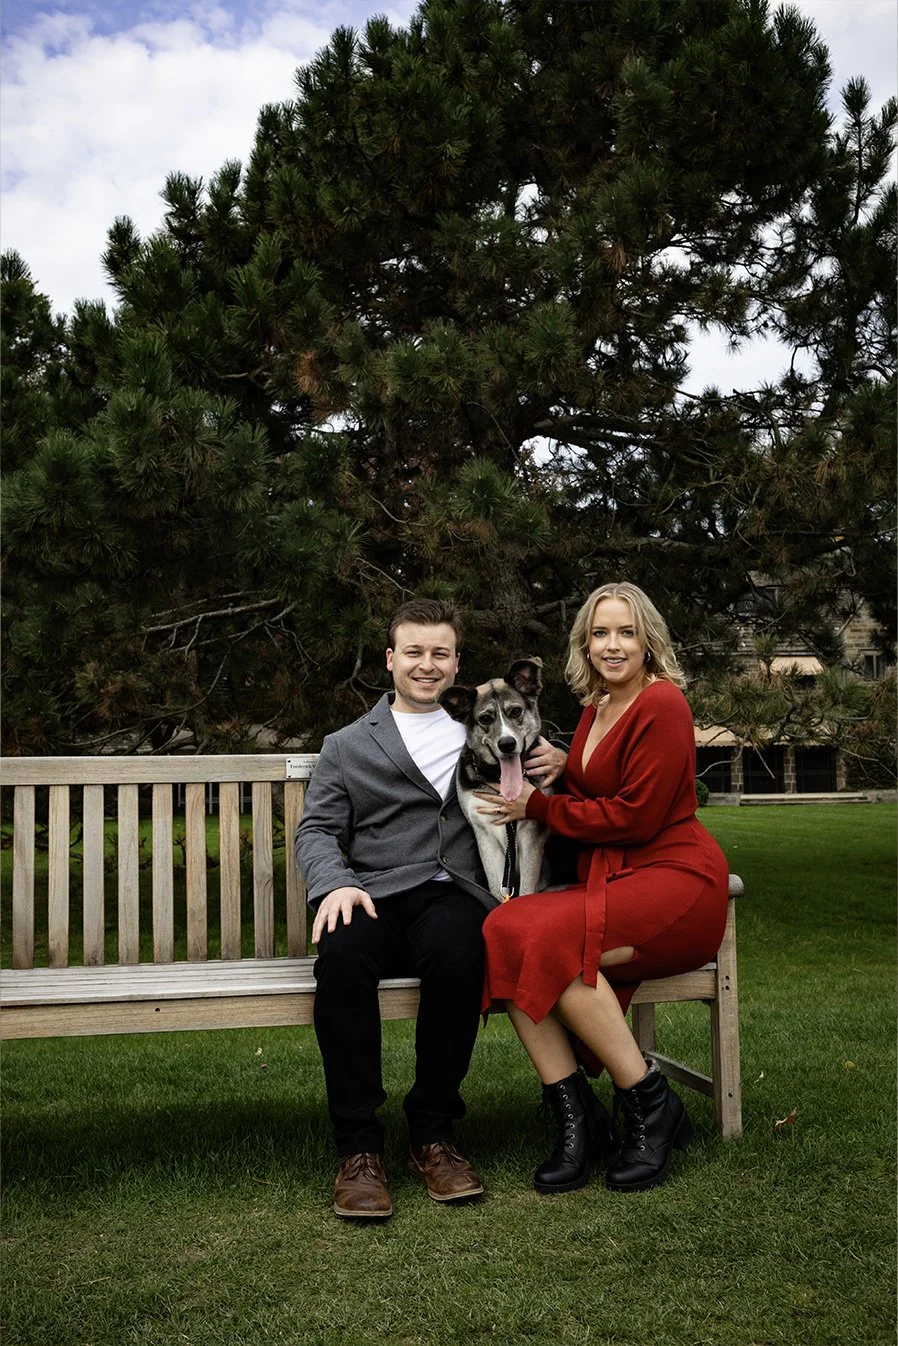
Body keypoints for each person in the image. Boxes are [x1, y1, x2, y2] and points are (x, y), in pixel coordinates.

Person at [294, 598, 564, 1219]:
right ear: (391, 660)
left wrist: (563, 757)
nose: (426, 664)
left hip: (452, 891)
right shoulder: (346, 745)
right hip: (373, 890)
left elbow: (550, 762)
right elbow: (316, 831)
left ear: (456, 663)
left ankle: (434, 1132)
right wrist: (334, 884)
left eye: (439, 653)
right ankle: (358, 1147)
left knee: (459, 951)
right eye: (413, 652)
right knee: (342, 956)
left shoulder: (487, 728)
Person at [476, 582, 730, 1195]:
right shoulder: (596, 707)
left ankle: (648, 1102)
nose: (611, 646)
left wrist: (539, 807)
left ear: (648, 640)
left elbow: (637, 814)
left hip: (675, 880)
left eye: (624, 632)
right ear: (584, 645)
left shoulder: (662, 702)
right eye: (599, 633)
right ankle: (576, 1117)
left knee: (552, 944)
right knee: (503, 930)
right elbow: (601, 781)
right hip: (617, 878)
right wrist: (569, 765)